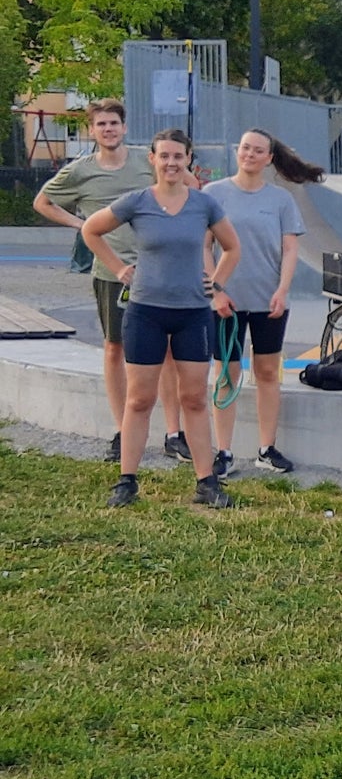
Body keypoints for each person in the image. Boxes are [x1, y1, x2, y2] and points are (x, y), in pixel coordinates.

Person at [81, 129, 241, 508]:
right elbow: (91, 230)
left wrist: (216, 284)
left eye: (178, 156)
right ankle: (126, 481)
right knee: (139, 399)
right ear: (152, 159)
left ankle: (206, 483)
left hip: (192, 314)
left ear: (189, 160)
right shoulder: (137, 202)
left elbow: (232, 247)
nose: (171, 163)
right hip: (145, 312)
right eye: (164, 156)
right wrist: (119, 268)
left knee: (194, 398)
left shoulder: (204, 205)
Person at [33, 98, 190, 463]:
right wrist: (81, 225)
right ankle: (123, 430)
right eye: (101, 124)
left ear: (124, 127)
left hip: (158, 269)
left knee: (166, 350)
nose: (108, 130)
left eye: (113, 124)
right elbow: (43, 202)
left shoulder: (145, 160)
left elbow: (185, 185)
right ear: (92, 130)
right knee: (115, 347)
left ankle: (172, 432)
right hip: (112, 273)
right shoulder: (80, 171)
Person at [204, 129, 324, 479]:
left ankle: (265, 448)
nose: (250, 155)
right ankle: (223, 451)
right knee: (226, 372)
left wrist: (283, 290)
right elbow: (204, 247)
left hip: (268, 300)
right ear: (237, 151)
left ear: (269, 158)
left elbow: (290, 249)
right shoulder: (214, 195)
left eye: (259, 151)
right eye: (245, 148)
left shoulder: (281, 200)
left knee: (268, 373)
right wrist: (216, 291)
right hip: (226, 301)